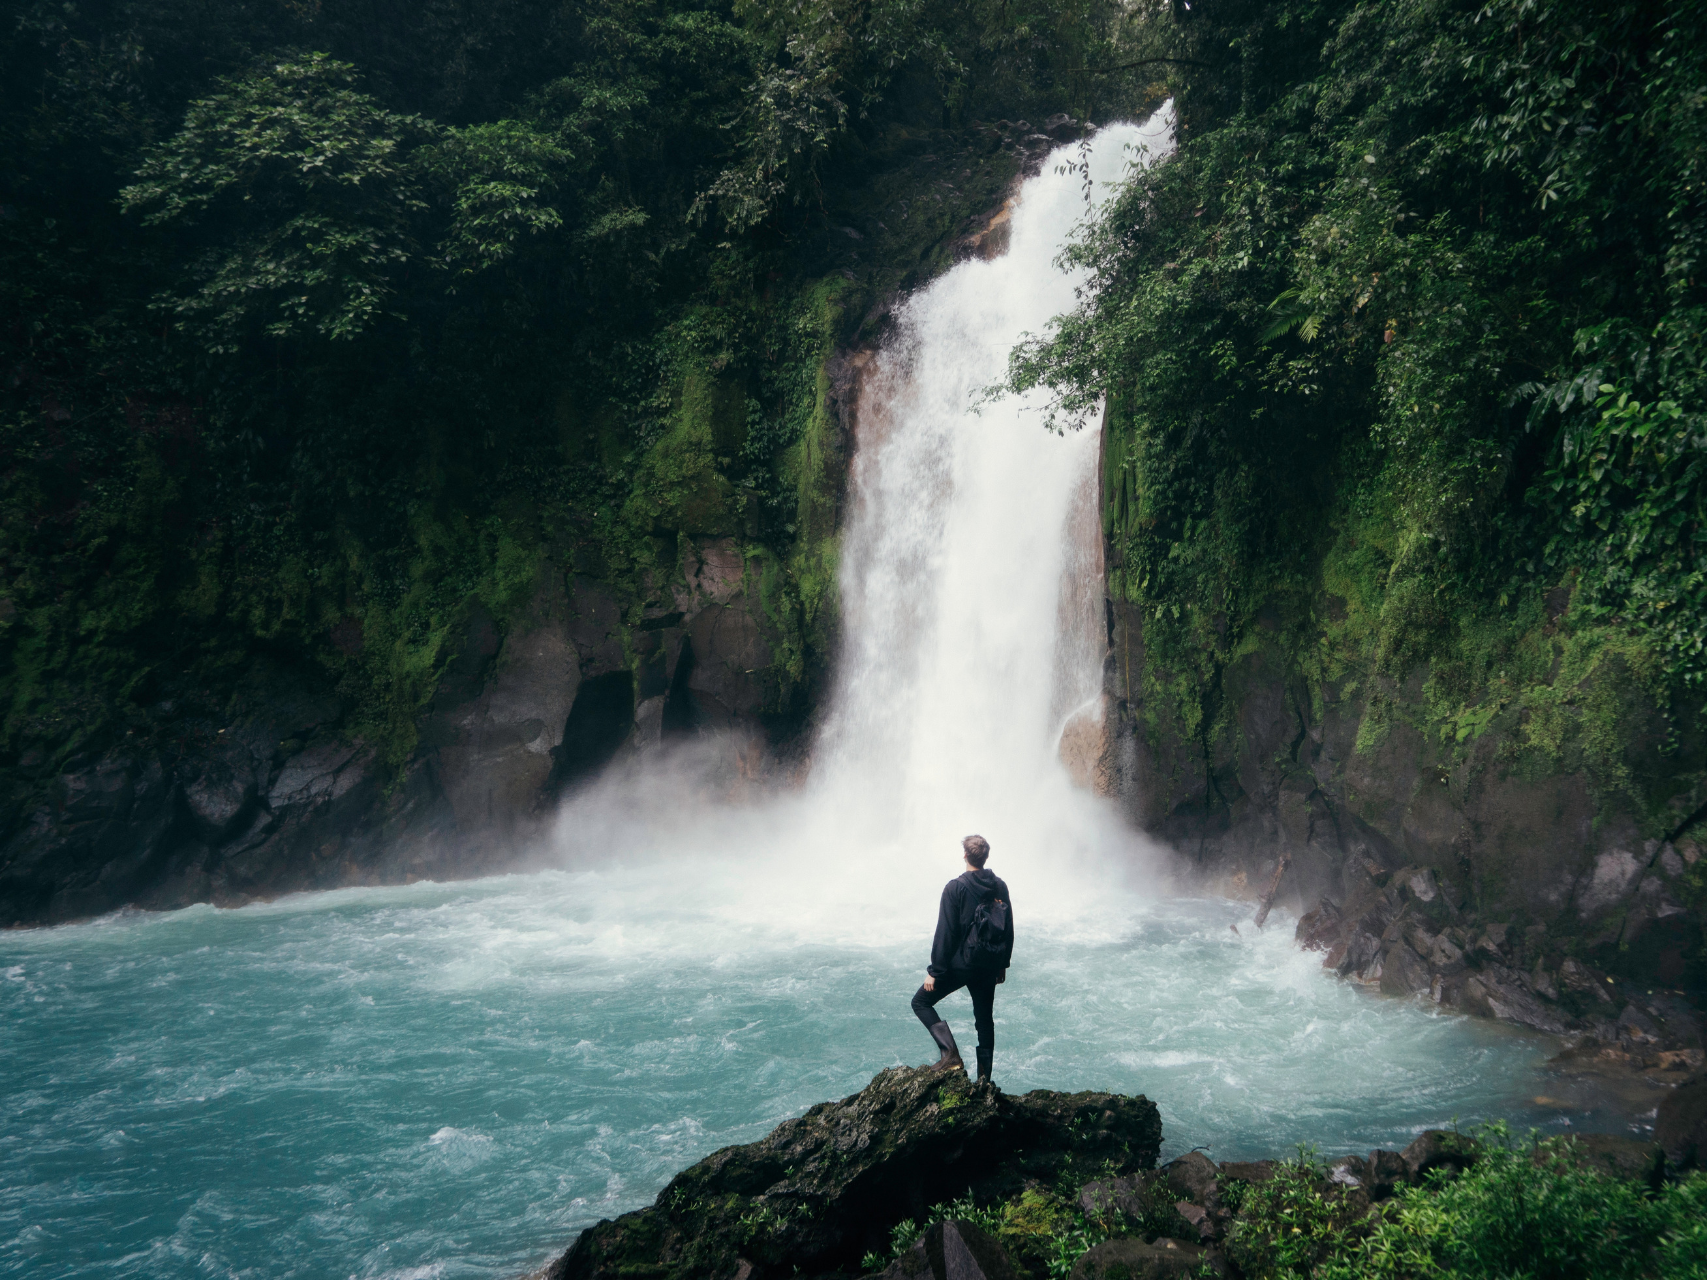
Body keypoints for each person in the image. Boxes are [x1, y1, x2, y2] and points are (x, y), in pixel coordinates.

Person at [910, 834, 1014, 1085]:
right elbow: (1008, 927)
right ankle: (984, 1081)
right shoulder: (999, 886)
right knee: (984, 1019)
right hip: (988, 964)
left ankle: (950, 1055)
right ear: (985, 857)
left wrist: (935, 971)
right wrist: (1002, 964)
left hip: (962, 965)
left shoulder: (955, 888)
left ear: (965, 855)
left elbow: (946, 932)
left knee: (920, 1002)